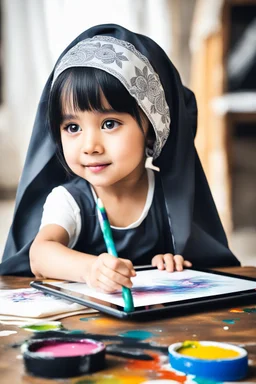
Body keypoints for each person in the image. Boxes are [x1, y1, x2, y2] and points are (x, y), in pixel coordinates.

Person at [0, 24, 240, 290]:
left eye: (110, 124)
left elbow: (192, 263)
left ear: (151, 129)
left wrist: (168, 264)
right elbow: (40, 254)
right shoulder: (69, 201)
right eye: (73, 128)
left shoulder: (168, 195)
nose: (90, 146)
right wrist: (91, 269)